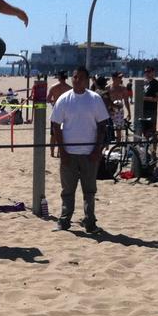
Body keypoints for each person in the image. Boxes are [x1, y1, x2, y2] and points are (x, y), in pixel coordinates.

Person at [49, 67, 109, 234]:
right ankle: (64, 220)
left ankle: (90, 221)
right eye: (75, 77)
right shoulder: (64, 99)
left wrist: (97, 149)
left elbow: (102, 125)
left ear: (87, 80)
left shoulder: (95, 99)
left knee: (89, 190)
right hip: (69, 154)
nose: (77, 80)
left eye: (81, 78)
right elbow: (56, 126)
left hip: (90, 154)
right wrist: (63, 151)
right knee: (67, 190)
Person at [140, 66, 158, 137]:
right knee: (144, 130)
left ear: (153, 72)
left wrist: (146, 98)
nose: (146, 73)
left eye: (148, 71)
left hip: (151, 110)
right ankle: (146, 147)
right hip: (142, 110)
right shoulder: (143, 83)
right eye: (145, 72)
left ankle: (154, 147)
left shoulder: (156, 84)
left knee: (152, 130)